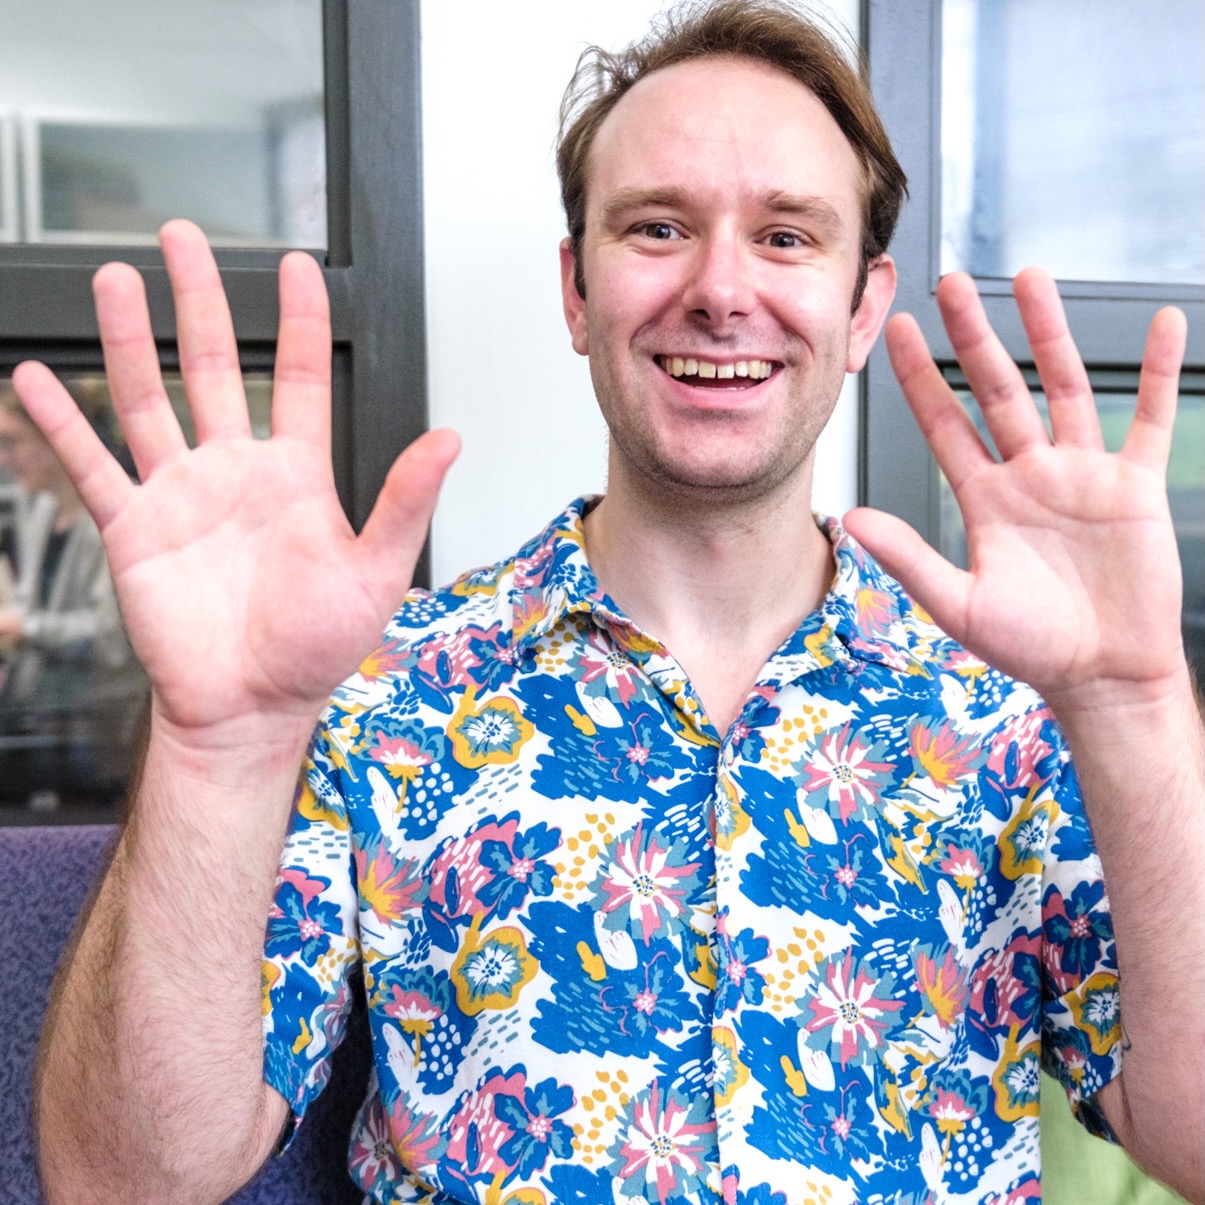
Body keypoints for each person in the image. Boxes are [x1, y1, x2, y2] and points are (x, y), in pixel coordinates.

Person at [20, 2, 1203, 1203]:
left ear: (860, 308)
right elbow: (117, 1182)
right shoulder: (377, 690)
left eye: (787, 236)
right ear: (577, 290)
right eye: (656, 226)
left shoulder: (1015, 706)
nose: (720, 288)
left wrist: (1136, 703)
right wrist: (215, 744)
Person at [0, 383, 145, 806]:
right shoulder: (39, 509)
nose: (5, 459)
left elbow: (113, 639)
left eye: (12, 443)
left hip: (103, 730)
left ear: (53, 440)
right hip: (45, 716)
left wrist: (23, 627)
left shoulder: (120, 509)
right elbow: (34, 601)